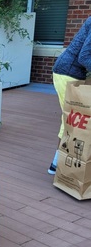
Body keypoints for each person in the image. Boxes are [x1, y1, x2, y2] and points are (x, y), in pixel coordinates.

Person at [49, 16, 91, 174]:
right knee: (72, 120)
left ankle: (57, 165)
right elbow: (84, 57)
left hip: (72, 73)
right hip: (67, 73)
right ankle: (62, 167)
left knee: (71, 119)